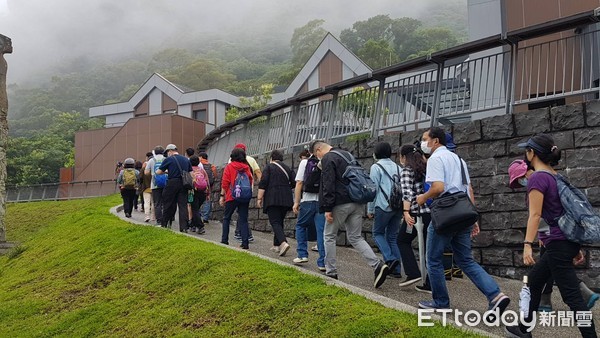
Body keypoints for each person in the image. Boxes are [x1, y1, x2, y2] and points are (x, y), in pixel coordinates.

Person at [504, 135, 597, 337]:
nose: (525, 154)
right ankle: (523, 329)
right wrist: (575, 246)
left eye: (526, 151)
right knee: (535, 283)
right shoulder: (555, 176)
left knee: (572, 297)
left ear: (532, 153)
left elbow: (535, 215)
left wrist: (527, 244)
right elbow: (559, 214)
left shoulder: (537, 177)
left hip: (558, 246)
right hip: (563, 243)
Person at [416, 127, 510, 315]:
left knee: (433, 260)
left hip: (445, 215)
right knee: (466, 260)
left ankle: (441, 302)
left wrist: (423, 197)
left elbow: (438, 187)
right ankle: (495, 295)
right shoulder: (459, 160)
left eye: (425, 139)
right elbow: (469, 190)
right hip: (463, 213)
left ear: (435, 141)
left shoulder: (435, 158)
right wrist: (473, 218)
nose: (423, 143)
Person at [309, 139, 389, 288]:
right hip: (357, 202)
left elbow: (328, 183)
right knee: (355, 237)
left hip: (340, 203)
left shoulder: (328, 158)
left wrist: (327, 208)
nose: (318, 158)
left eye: (316, 155)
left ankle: (331, 271)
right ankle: (377, 264)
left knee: (329, 236)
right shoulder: (347, 155)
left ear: (318, 150)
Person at [397, 144, 432, 291]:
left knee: (402, 240)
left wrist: (405, 211)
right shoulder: (426, 167)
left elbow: (407, 193)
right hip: (430, 212)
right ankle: (430, 284)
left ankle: (413, 273)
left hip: (416, 214)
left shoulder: (407, 170)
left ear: (404, 157)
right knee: (429, 248)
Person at [367, 142, 402, 279]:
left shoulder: (376, 167)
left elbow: (373, 189)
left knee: (377, 233)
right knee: (392, 237)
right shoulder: (398, 167)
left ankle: (390, 259)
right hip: (398, 206)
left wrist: (370, 208)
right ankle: (397, 269)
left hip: (383, 205)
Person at [292, 148, 326, 271]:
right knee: (321, 231)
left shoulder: (305, 162)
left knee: (301, 225)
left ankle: (302, 255)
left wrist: (296, 202)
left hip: (307, 200)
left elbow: (299, 183)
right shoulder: (326, 162)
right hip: (322, 202)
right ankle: (323, 262)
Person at [257, 150, 295, 256]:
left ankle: (283, 243)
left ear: (271, 158)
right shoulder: (288, 168)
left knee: (275, 222)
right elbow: (294, 182)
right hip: (286, 199)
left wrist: (259, 198)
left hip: (273, 198)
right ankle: (276, 245)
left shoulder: (269, 167)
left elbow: (263, 183)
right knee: (279, 221)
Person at [220, 148, 253, 249]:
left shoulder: (230, 166)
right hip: (244, 196)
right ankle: (245, 243)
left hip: (232, 195)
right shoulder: (247, 167)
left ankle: (224, 240)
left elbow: (225, 182)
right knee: (243, 219)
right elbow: (250, 180)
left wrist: (222, 196)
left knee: (226, 218)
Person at [156, 144, 192, 232]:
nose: (167, 154)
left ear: (170, 151)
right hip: (184, 184)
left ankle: (164, 224)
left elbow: (159, 172)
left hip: (172, 183)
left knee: (167, 203)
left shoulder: (169, 159)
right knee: (183, 205)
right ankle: (183, 227)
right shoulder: (186, 159)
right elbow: (191, 173)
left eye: (167, 152)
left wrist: (166, 172)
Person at [232, 143, 260, 243]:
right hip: (248, 190)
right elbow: (258, 172)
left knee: (241, 213)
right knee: (243, 212)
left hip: (236, 190)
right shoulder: (251, 160)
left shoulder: (232, 161)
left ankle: (245, 234)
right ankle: (240, 233)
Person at [145, 146, 166, 226]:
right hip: (165, 184)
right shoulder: (166, 159)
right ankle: (166, 219)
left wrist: (153, 173)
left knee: (157, 203)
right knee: (165, 202)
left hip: (155, 184)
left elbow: (146, 172)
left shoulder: (151, 160)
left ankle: (159, 221)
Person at [189, 155, 208, 234]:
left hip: (194, 192)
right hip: (203, 192)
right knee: (196, 209)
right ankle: (192, 225)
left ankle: (200, 226)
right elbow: (207, 181)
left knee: (195, 210)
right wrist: (208, 193)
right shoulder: (202, 170)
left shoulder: (190, 171)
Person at [199, 152, 217, 223]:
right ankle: (205, 217)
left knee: (198, 200)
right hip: (209, 185)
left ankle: (198, 216)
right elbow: (215, 175)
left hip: (200, 185)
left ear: (201, 157)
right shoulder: (211, 166)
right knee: (207, 200)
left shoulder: (199, 165)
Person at [141, 152, 154, 223]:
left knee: (146, 202)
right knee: (153, 202)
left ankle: (147, 216)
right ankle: (153, 217)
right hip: (154, 187)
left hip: (146, 188)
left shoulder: (144, 168)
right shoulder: (155, 168)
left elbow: (140, 177)